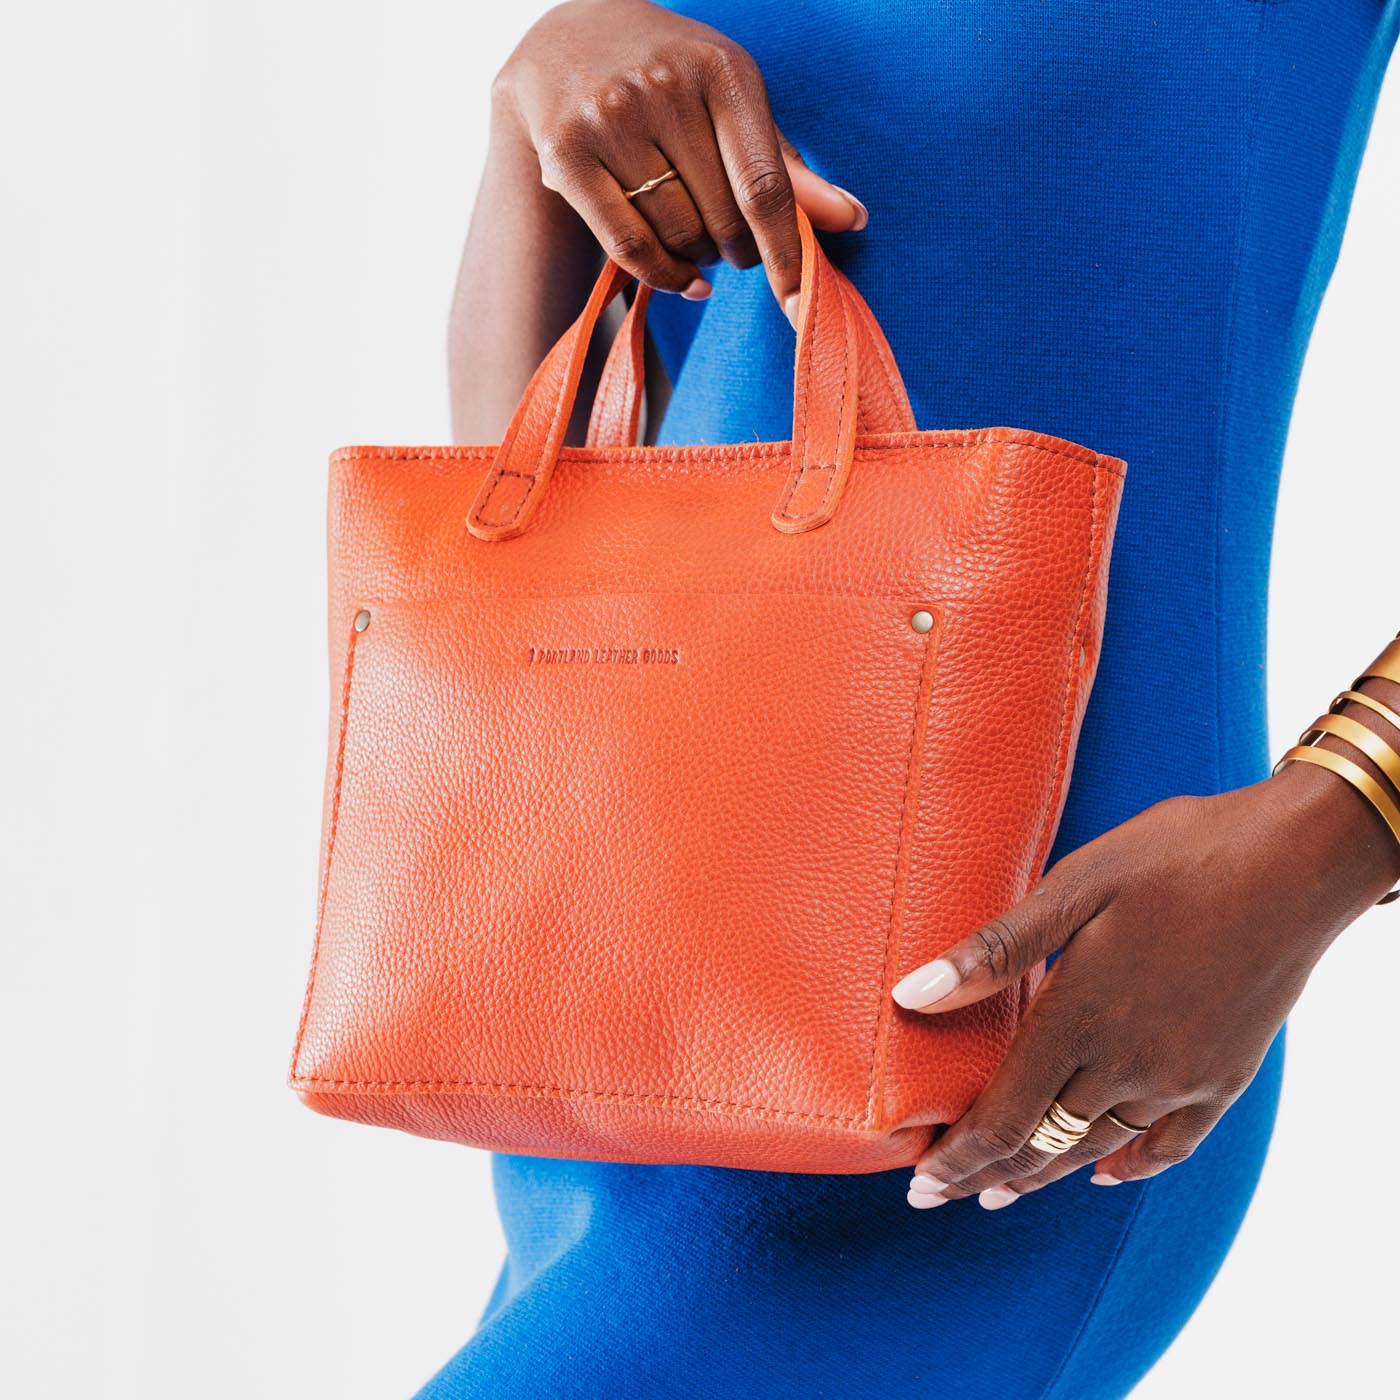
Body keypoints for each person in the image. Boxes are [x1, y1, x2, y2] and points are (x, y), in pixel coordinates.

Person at [427, 2, 1400, 1394]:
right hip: (619, 1013)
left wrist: (1332, 834)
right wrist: (539, 104)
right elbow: (544, 493)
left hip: (1019, 1037)